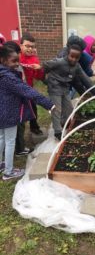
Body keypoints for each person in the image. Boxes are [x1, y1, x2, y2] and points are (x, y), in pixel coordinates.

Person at [0, 46, 54, 180]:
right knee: (10, 141)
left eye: (18, 60)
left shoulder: (2, 73)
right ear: (3, 61)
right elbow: (27, 91)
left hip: (2, 112)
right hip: (8, 114)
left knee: (1, 138)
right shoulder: (8, 77)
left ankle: (2, 164)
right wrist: (49, 104)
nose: (17, 64)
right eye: (13, 61)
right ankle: (8, 171)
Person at [43, 44, 95, 140]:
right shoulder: (59, 62)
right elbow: (45, 66)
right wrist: (46, 80)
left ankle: (65, 123)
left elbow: (86, 79)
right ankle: (58, 132)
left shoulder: (77, 66)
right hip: (54, 87)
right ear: (67, 54)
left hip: (65, 88)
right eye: (72, 56)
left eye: (77, 57)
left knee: (69, 108)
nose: (73, 59)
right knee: (57, 109)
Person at [20, 33, 44, 135]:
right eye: (27, 46)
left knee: (33, 108)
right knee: (20, 112)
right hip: (16, 90)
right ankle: (19, 138)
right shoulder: (16, 56)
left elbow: (38, 77)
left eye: (32, 47)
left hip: (28, 88)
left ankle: (34, 127)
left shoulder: (34, 59)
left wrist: (39, 69)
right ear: (21, 45)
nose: (30, 49)